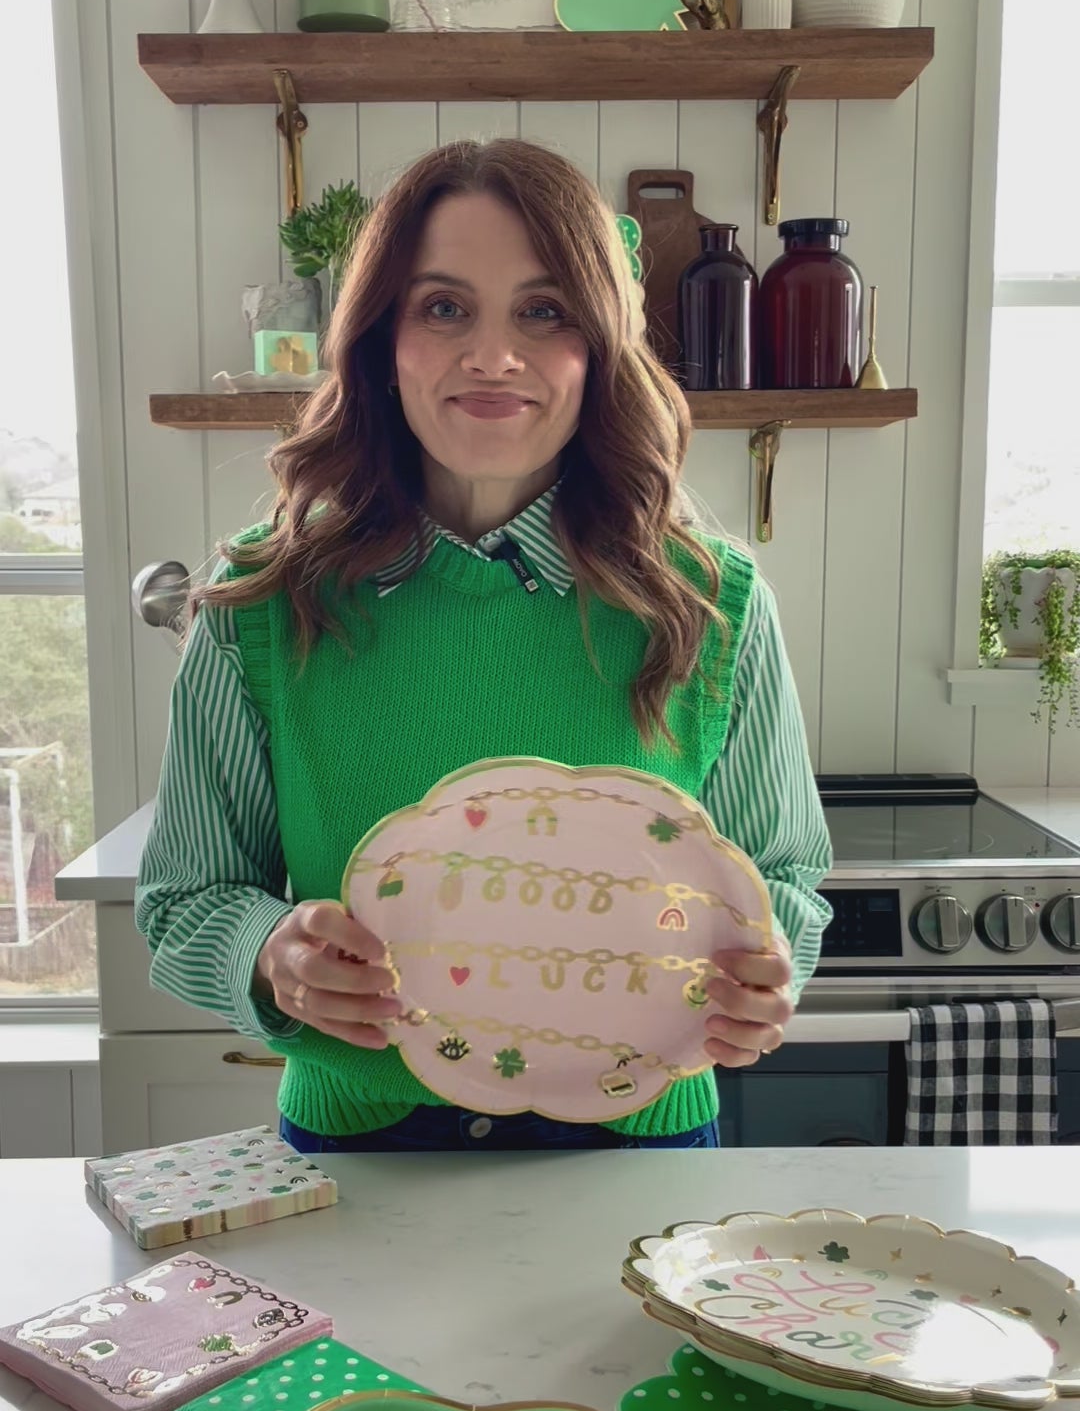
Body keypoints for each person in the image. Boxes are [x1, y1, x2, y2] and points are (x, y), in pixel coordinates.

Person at [136, 139, 832, 1153]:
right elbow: (184, 901)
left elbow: (784, 882)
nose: (493, 356)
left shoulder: (711, 602)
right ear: (382, 342)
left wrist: (771, 974)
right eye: (444, 307)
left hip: (641, 1160)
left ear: (599, 346)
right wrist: (267, 952)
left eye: (543, 311)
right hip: (360, 1155)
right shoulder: (265, 601)